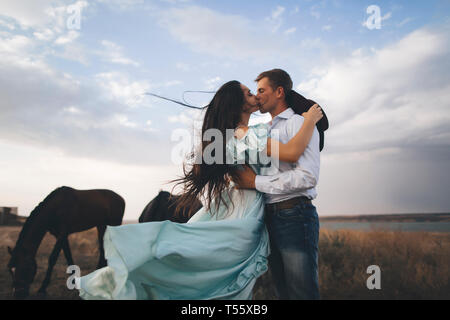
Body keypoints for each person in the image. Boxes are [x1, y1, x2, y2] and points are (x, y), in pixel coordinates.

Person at [77, 80, 322, 300]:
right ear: (238, 104)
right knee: (222, 277)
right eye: (249, 93)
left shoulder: (231, 135)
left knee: (214, 273)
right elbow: (291, 151)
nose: (255, 96)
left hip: (240, 206)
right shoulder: (245, 133)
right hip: (244, 212)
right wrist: (310, 119)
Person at [232, 69, 325, 299]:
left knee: (301, 293)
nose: (258, 95)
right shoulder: (263, 131)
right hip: (268, 218)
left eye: (262, 90)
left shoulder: (299, 124)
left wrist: (256, 182)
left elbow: (308, 177)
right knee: (282, 292)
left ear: (280, 92)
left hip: (294, 214)